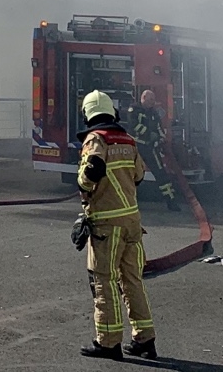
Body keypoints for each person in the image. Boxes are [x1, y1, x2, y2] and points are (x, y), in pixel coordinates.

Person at [76, 89, 158, 361]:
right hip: (132, 223)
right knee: (132, 280)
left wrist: (85, 185)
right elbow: (138, 175)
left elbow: (92, 170)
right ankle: (145, 339)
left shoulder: (96, 139)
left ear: (88, 114)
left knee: (104, 280)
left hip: (106, 225)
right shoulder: (128, 140)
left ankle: (109, 342)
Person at [126, 89, 181, 212]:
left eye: (153, 100)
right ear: (143, 98)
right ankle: (129, 201)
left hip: (150, 148)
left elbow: (159, 128)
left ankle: (171, 201)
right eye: (150, 100)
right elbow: (133, 125)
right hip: (136, 147)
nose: (152, 102)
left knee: (161, 174)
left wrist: (161, 138)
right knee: (130, 174)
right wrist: (148, 133)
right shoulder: (134, 109)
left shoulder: (154, 113)